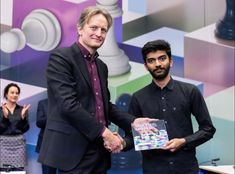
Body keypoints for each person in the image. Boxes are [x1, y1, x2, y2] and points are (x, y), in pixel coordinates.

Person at [38, 6, 151, 174]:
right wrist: (106, 133)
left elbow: (106, 106)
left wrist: (132, 122)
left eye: (103, 30)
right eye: (94, 28)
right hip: (73, 152)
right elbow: (68, 105)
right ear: (80, 28)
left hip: (99, 153)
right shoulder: (61, 57)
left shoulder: (101, 67)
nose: (99, 33)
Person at [127, 40, 216, 174]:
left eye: (162, 58)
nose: (157, 64)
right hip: (154, 170)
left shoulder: (190, 91)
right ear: (146, 66)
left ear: (171, 61)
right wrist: (120, 143)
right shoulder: (138, 98)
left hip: (186, 169)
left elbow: (208, 129)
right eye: (151, 60)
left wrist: (184, 141)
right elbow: (130, 136)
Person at [0, 83, 30, 171]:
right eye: (12, 92)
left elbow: (25, 129)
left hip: (19, 145)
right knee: (4, 171)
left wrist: (23, 118)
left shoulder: (22, 109)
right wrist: (5, 117)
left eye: (17, 93)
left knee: (18, 171)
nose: (15, 95)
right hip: (3, 145)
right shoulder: (0, 110)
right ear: (6, 94)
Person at [36, 98, 57, 174]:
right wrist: (53, 115)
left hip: (64, 144)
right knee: (48, 172)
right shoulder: (42, 103)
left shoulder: (68, 102)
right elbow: (39, 122)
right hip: (46, 145)